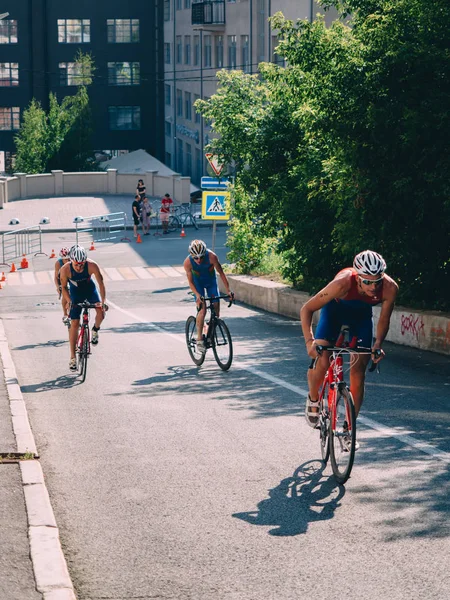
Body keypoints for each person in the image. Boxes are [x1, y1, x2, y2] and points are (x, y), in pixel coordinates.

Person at [300, 250, 398, 439]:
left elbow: (384, 319)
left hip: (361, 318)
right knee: (322, 359)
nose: (373, 286)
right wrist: (309, 342)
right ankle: (313, 398)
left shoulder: (390, 288)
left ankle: (349, 429)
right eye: (367, 281)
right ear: (357, 277)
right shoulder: (342, 283)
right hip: (334, 313)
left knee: (358, 372)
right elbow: (307, 309)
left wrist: (377, 344)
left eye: (377, 281)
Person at [59, 245, 108, 372]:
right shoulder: (65, 270)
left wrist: (103, 302)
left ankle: (95, 329)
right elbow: (64, 288)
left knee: (100, 312)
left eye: (82, 264)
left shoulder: (92, 265)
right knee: (75, 323)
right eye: (76, 264)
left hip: (90, 290)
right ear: (71, 261)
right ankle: (72, 358)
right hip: (75, 293)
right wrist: (69, 301)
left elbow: (101, 284)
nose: (79, 267)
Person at [183, 239, 233, 353]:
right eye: (196, 258)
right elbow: (190, 282)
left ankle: (209, 330)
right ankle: (200, 338)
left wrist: (229, 291)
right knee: (202, 310)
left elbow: (221, 273)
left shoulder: (212, 257)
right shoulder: (187, 263)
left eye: (201, 257)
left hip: (211, 282)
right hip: (198, 284)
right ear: (191, 256)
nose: (199, 260)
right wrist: (197, 295)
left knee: (216, 309)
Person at [54, 247, 71, 325]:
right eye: (65, 259)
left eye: (68, 259)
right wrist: (58, 287)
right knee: (65, 293)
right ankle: (65, 314)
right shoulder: (58, 263)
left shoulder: (73, 262)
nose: (67, 261)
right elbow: (56, 277)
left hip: (71, 278)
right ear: (62, 259)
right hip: (62, 278)